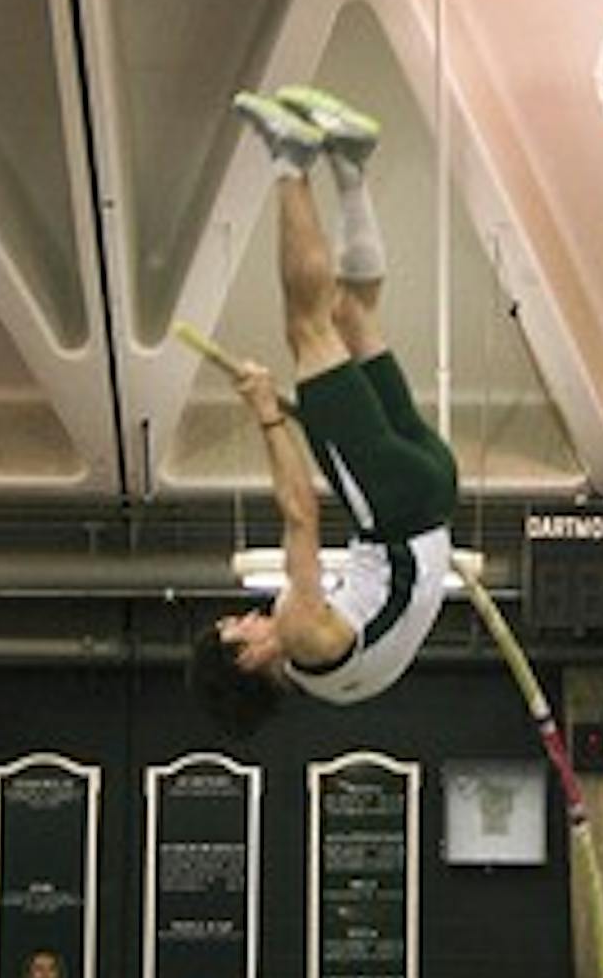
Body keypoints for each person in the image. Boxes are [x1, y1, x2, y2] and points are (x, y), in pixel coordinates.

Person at [189, 85, 459, 736]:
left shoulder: (341, 683)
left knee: (351, 315)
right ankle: (291, 161)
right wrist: (266, 414)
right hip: (393, 507)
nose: (252, 619)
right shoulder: (302, 636)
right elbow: (300, 512)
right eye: (240, 626)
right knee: (309, 330)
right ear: (250, 659)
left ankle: (351, 167)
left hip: (434, 493)